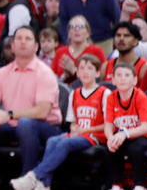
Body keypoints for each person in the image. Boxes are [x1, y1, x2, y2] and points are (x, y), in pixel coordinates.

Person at [0, 26, 64, 190]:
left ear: (36, 46)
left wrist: (9, 114)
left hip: (46, 128)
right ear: (13, 46)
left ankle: (28, 180)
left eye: (28, 39)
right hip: (13, 126)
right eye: (19, 39)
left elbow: (42, 111)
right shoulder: (2, 73)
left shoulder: (45, 73)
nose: (23, 42)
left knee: (25, 123)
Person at [12, 54, 109, 190]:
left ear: (97, 73)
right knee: (52, 140)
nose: (85, 72)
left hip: (96, 136)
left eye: (90, 68)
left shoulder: (105, 93)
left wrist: (86, 130)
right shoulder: (74, 94)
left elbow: (109, 124)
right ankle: (44, 185)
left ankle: (34, 176)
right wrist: (75, 128)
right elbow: (72, 122)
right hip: (80, 134)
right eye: (82, 68)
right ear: (78, 73)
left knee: (64, 142)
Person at [104, 61, 147, 190]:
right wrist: (110, 138)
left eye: (127, 75)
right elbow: (108, 125)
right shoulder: (111, 98)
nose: (123, 78)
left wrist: (124, 133)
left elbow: (145, 127)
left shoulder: (140, 96)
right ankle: (116, 185)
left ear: (135, 80)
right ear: (112, 80)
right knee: (111, 148)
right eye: (119, 75)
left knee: (136, 149)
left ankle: (140, 185)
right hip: (125, 136)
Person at [52, 15, 106, 83]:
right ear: (68, 33)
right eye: (73, 26)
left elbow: (102, 78)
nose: (76, 29)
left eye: (81, 26)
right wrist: (64, 76)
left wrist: (75, 71)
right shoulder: (60, 52)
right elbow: (52, 79)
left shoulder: (97, 51)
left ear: (88, 33)